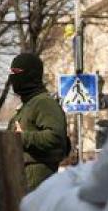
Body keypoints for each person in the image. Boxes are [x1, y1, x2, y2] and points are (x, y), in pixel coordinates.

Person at [8, 53, 69, 191]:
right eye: (11, 72)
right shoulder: (27, 106)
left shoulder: (44, 103)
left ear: (31, 74)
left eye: (16, 72)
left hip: (37, 183)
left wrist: (22, 138)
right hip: (23, 179)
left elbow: (56, 137)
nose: (12, 77)